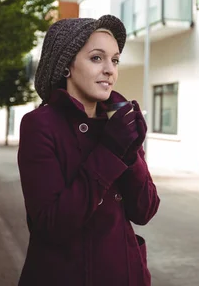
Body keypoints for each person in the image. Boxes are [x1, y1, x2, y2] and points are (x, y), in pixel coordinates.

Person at [17, 15, 160, 286]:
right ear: (66, 65)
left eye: (115, 60)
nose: (110, 70)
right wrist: (111, 150)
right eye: (97, 58)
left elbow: (145, 210)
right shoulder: (39, 125)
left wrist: (130, 154)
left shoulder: (119, 122)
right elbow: (51, 224)